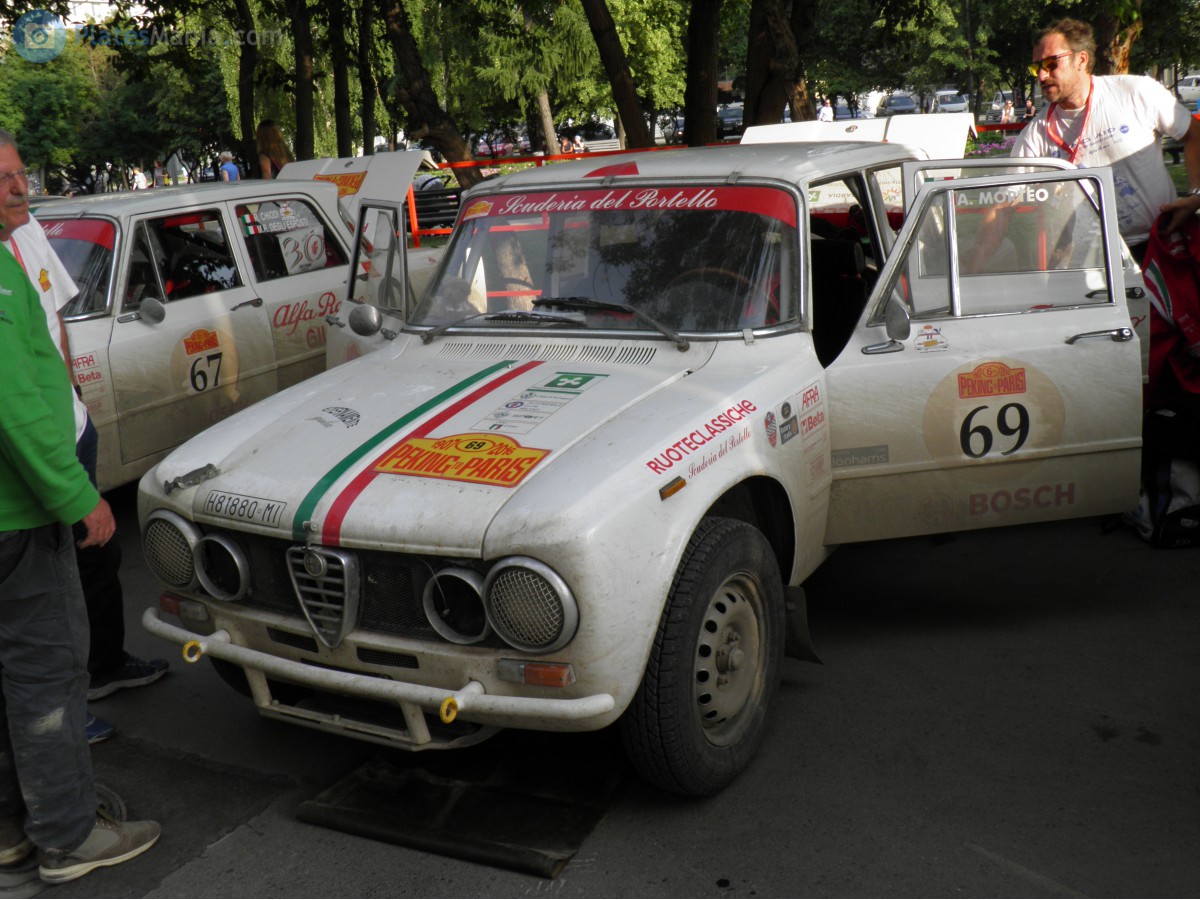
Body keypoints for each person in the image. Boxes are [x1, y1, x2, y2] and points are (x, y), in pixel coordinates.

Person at [0, 139, 160, 885]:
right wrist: (76, 495)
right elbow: (17, 407)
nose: (16, 190)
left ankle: (14, 827)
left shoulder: (15, 255)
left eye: (17, 175)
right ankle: (66, 835)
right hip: (18, 516)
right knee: (46, 673)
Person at [1012, 18, 1200, 261]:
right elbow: (1004, 201)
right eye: (1036, 67)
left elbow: (1194, 133)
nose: (1041, 75)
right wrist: (973, 258)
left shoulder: (1134, 91)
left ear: (1081, 60)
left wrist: (1196, 195)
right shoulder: (1037, 132)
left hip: (1161, 240)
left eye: (1050, 63)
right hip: (1096, 259)